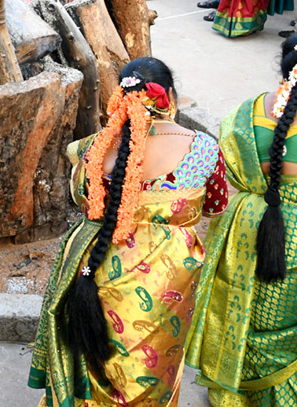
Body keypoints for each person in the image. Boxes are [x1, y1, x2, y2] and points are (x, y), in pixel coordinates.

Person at [31, 57, 226, 406]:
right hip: (164, 283)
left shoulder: (94, 148)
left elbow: (81, 198)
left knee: (91, 361)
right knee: (149, 373)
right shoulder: (203, 149)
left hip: (91, 267)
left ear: (120, 97)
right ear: (170, 96)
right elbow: (215, 205)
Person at [187, 33, 297, 405]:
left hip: (249, 228)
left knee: (252, 313)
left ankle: (244, 392)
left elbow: (228, 176)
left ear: (282, 66)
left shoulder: (247, 111)